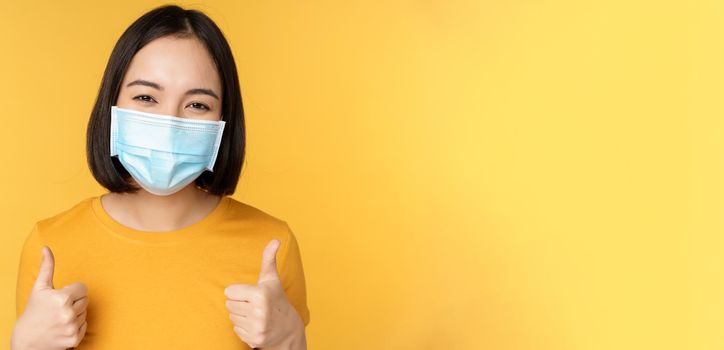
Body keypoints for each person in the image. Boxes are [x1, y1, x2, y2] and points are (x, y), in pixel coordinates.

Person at [10, 5, 310, 350]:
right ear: (113, 106)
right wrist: (25, 345)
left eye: (197, 104)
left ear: (222, 122)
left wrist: (291, 340)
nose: (169, 123)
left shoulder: (271, 247)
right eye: (146, 97)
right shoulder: (50, 245)